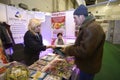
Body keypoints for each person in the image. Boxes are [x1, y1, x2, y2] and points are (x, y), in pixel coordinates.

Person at [62, 4, 106, 80]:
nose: (74, 21)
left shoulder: (92, 28)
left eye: (75, 18)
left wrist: (68, 49)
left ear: (81, 16)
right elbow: (85, 45)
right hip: (87, 65)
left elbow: (84, 51)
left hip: (87, 67)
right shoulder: (89, 26)